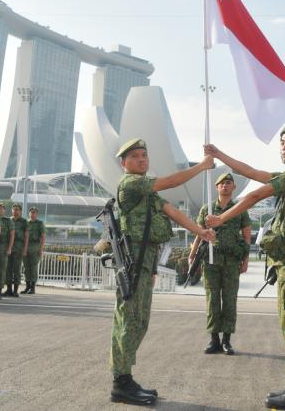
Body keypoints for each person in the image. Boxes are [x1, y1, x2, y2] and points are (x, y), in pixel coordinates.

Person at [205, 123, 285, 410]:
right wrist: (220, 154)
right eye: (282, 141)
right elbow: (252, 173)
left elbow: (255, 194)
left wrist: (221, 219)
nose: (284, 146)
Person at [109, 138, 215, 406]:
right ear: (124, 164)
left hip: (143, 263)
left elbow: (172, 211)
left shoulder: (147, 192)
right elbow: (171, 182)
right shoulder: (131, 184)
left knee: (139, 321)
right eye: (135, 156)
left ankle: (126, 377)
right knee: (129, 320)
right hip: (133, 264)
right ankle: (120, 382)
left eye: (145, 155)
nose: (142, 159)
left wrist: (200, 232)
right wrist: (202, 166)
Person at [188, 172, 251, 355]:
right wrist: (192, 255)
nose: (225, 185)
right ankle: (214, 339)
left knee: (230, 300)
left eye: (228, 183)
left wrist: (245, 260)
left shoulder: (240, 209)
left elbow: (247, 236)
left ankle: (227, 341)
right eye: (221, 183)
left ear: (233, 187)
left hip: (232, 261)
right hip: (210, 260)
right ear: (216, 187)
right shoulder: (207, 209)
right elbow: (199, 233)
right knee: (212, 300)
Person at [21, 207, 45, 294]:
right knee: (26, 268)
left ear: (37, 214)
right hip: (26, 246)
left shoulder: (40, 223)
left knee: (33, 268)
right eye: (31, 212)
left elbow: (42, 237)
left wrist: (41, 249)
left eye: (34, 212)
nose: (32, 214)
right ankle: (27, 287)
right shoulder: (26, 222)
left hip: (35, 246)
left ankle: (33, 287)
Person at [5, 203, 27, 297]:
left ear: (21, 211)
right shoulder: (8, 220)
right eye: (14, 209)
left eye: (17, 209)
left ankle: (15, 290)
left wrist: (25, 249)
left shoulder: (24, 221)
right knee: (8, 269)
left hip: (18, 248)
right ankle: (9, 289)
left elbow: (26, 237)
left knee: (16, 270)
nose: (15, 211)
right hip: (8, 248)